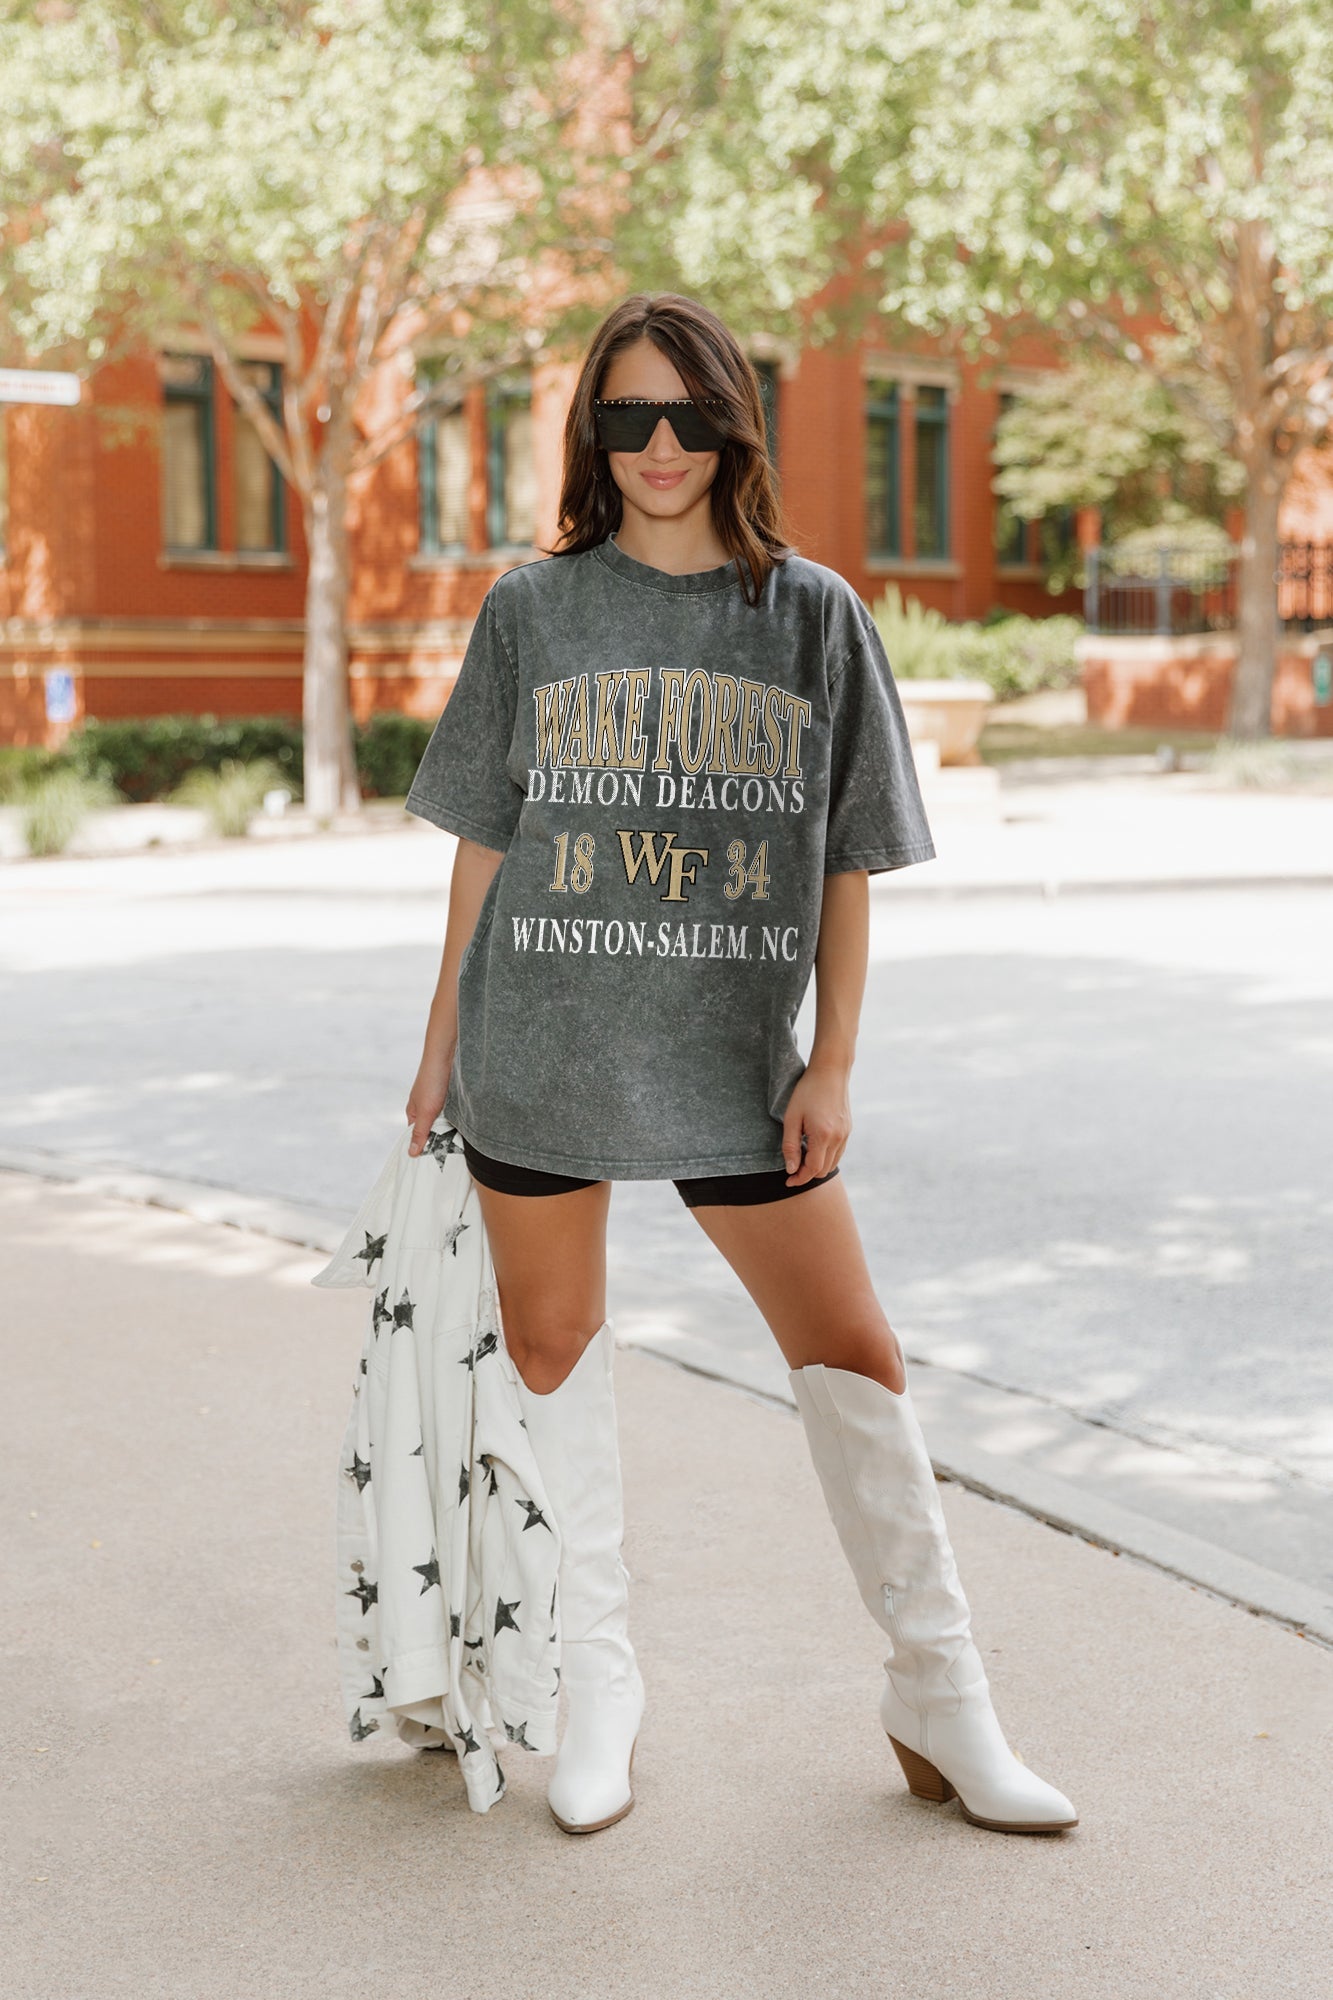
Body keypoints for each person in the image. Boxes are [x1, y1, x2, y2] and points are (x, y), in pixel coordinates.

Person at [403, 292, 1078, 1838]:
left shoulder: (811, 616)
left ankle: (939, 1691)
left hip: (731, 1058)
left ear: (732, 425)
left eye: (687, 415)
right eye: (625, 417)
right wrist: (438, 1044)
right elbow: (484, 840)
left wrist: (830, 1063)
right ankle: (601, 1689)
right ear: (592, 436)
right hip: (541, 1041)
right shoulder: (532, 608)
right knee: (553, 1347)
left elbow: (846, 858)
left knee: (851, 1351)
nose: (658, 446)